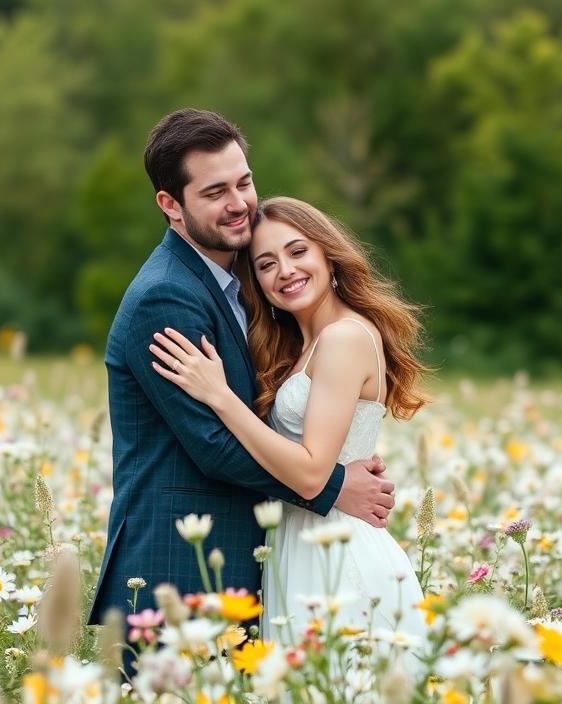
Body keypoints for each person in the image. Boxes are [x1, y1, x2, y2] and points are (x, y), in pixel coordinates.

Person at [87, 110, 395, 645]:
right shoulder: (167, 295)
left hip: (256, 562)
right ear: (171, 205)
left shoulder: (243, 290)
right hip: (179, 566)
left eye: (244, 182)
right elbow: (213, 445)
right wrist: (333, 486)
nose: (238, 204)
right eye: (214, 192)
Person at [149, 195, 429, 643]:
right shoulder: (303, 347)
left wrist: (221, 397)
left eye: (297, 251)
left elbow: (312, 472)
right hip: (299, 543)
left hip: (336, 551)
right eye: (265, 264)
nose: (285, 270)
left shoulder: (343, 338)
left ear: (328, 254)